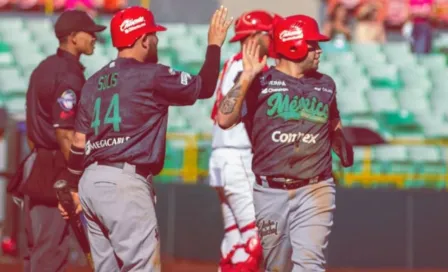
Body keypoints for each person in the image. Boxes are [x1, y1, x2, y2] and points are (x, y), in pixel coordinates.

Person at [57, 5, 232, 272]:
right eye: (153, 35)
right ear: (142, 39)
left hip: (91, 182)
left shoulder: (93, 81)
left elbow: (79, 143)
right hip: (125, 183)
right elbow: (205, 87)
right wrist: (214, 45)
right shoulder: (152, 74)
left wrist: (72, 187)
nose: (156, 39)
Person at [216, 14, 354, 271]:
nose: (319, 50)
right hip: (270, 191)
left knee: (309, 264)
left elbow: (334, 124)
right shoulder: (259, 81)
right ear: (294, 44)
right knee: (276, 267)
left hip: (316, 187)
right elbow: (224, 118)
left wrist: (342, 146)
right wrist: (246, 77)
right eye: (313, 44)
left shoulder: (326, 84)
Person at [20, 10, 105, 272]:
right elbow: (65, 133)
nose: (94, 38)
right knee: (50, 253)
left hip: (38, 164)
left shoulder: (44, 67)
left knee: (38, 251)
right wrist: (76, 178)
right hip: (56, 170)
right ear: (72, 37)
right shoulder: (68, 74)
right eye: (89, 33)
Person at [209, 9, 275, 272]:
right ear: (255, 37)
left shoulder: (234, 63)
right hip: (237, 156)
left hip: (223, 157)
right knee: (257, 239)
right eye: (268, 33)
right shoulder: (244, 68)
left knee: (235, 241)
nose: (272, 37)